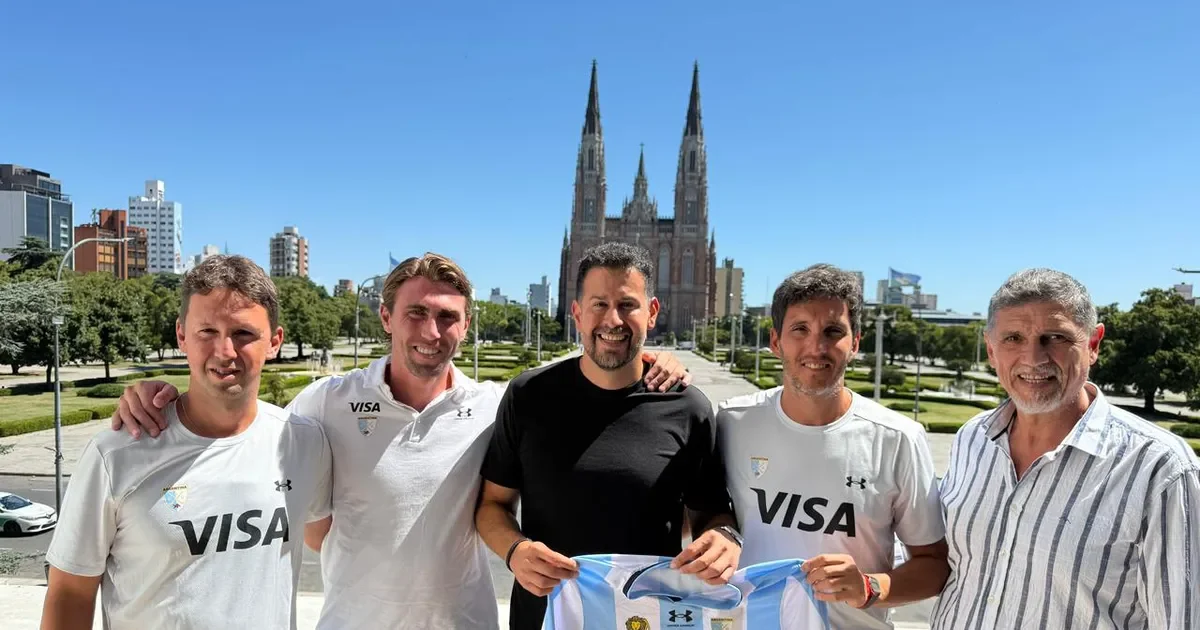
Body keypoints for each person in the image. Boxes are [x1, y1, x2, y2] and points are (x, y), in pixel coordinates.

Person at [110, 252, 692, 629]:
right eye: (415, 313)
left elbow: (593, 373)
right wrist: (158, 393)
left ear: (466, 326)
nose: (430, 332)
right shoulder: (326, 402)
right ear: (386, 317)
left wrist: (655, 359)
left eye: (447, 317)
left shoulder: (496, 405)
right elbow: (244, 436)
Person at [41, 255, 332, 629]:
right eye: (207, 331)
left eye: (243, 333)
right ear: (181, 335)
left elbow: (334, 539)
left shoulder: (304, 442)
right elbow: (70, 593)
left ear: (274, 341)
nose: (224, 351)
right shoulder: (118, 452)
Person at [475, 242, 741, 630]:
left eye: (627, 305)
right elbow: (491, 506)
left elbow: (712, 513)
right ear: (578, 313)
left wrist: (724, 537)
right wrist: (515, 551)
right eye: (599, 304)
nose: (612, 320)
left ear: (651, 313)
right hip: (545, 617)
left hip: (648, 618)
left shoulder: (688, 408)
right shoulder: (528, 396)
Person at [931, 269, 1200, 630]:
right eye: (1013, 338)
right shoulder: (971, 439)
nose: (1033, 358)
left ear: (1093, 344)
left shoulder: (1160, 469)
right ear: (991, 350)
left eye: (1054, 338)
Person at [715, 264, 948, 629]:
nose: (817, 347)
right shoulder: (733, 421)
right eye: (800, 330)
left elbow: (934, 564)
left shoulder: (899, 438)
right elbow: (701, 511)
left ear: (854, 343)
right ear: (776, 342)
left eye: (833, 331)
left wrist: (870, 587)